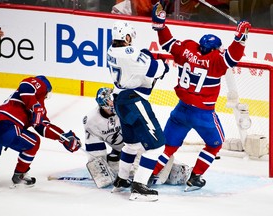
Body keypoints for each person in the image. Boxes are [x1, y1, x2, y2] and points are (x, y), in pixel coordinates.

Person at [151, 1, 251, 191]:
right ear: (214, 49)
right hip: (203, 114)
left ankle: (147, 175)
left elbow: (167, 42)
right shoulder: (215, 61)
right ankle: (195, 177)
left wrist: (160, 26)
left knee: (168, 147)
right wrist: (241, 37)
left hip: (181, 110)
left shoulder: (187, 49)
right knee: (215, 145)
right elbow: (232, 56)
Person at [107, 20, 169, 201]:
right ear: (126, 37)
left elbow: (139, 69)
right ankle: (139, 186)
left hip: (120, 101)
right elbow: (154, 69)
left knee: (131, 145)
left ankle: (121, 180)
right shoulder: (128, 53)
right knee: (157, 146)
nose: (131, 40)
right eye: (130, 37)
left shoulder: (111, 50)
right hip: (134, 102)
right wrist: (163, 66)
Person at [0, 75, 81, 188]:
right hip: (8, 127)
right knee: (34, 143)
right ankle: (19, 175)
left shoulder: (39, 108)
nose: (45, 98)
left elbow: (43, 127)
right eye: (47, 94)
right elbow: (26, 85)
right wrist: (34, 105)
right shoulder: (37, 88)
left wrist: (63, 137)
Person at [83, 87, 124, 173]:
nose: (112, 108)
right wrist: (99, 165)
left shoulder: (126, 110)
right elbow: (95, 146)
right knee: (101, 168)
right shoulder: (92, 120)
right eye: (109, 106)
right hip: (119, 147)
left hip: (132, 147)